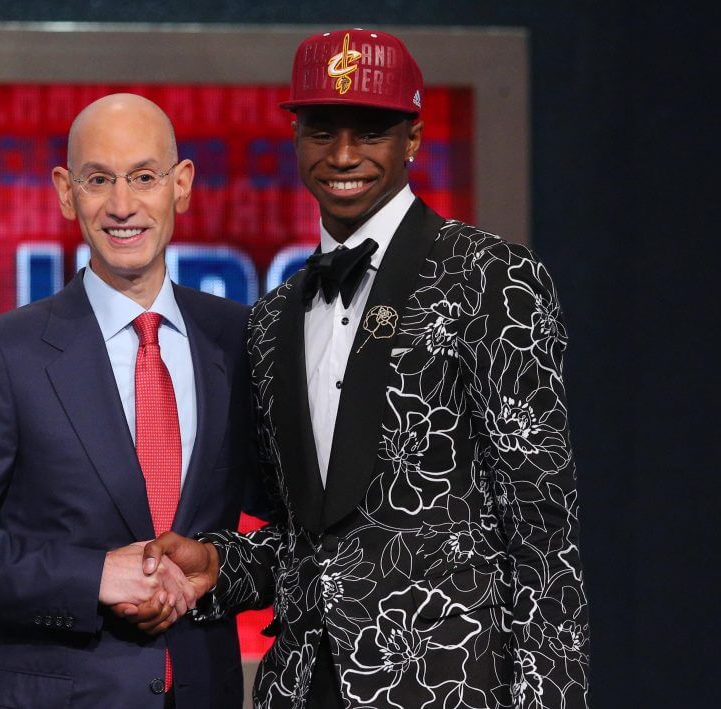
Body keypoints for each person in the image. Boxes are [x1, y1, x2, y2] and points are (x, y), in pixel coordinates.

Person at [142, 29, 590, 708]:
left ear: (413, 138)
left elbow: (542, 528)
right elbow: (308, 540)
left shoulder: (491, 277)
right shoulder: (272, 319)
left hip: (451, 685)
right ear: (296, 139)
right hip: (301, 685)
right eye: (323, 131)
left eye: (371, 132)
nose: (344, 155)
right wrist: (220, 564)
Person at [0, 93, 252, 709]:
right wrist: (91, 576)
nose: (122, 205)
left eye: (144, 177)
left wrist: (218, 565)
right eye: (98, 179)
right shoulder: (6, 353)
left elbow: (296, 524)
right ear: (65, 192)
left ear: (182, 184)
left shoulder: (237, 339)